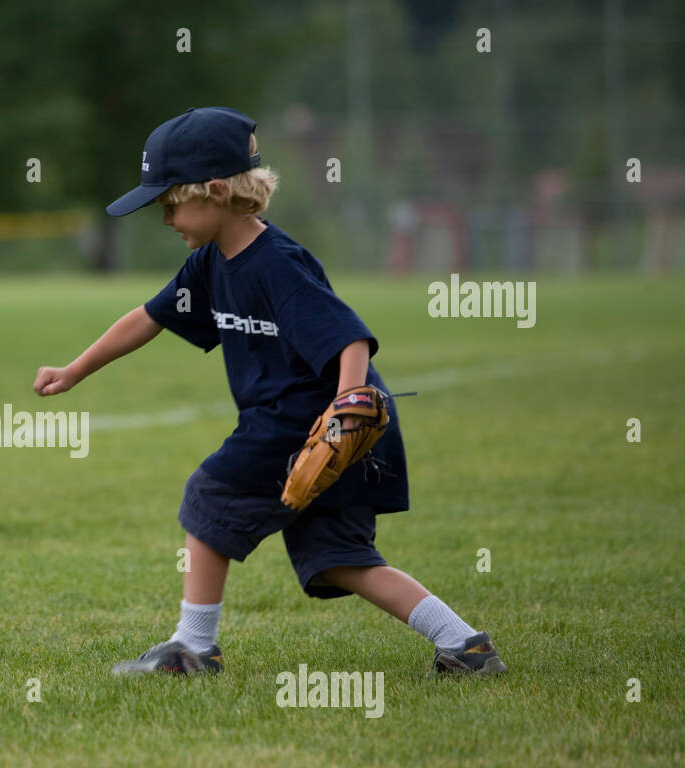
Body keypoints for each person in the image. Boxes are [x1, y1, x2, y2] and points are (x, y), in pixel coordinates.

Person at [33, 108, 506, 678]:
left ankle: (194, 648)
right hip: (300, 423)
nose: (165, 219)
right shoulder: (210, 263)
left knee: (208, 495)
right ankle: (465, 644)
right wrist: (77, 369)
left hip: (312, 420)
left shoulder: (277, 264)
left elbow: (349, 337)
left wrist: (346, 410)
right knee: (339, 561)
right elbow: (151, 316)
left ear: (214, 191)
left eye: (170, 203)